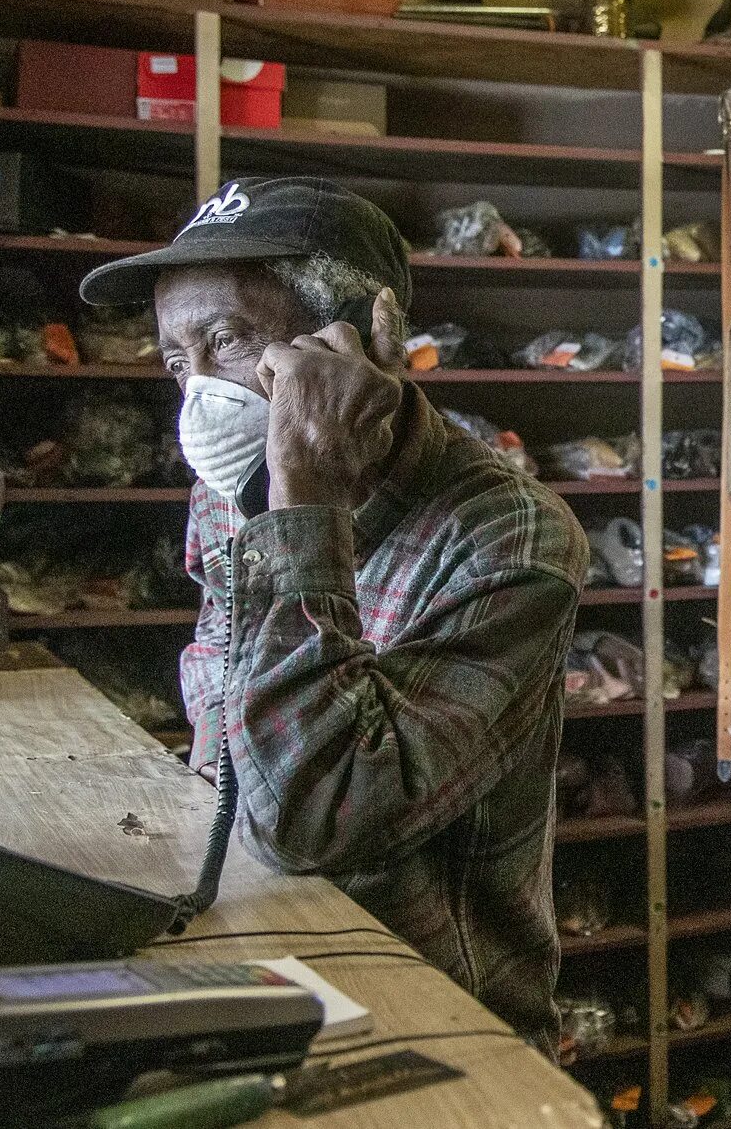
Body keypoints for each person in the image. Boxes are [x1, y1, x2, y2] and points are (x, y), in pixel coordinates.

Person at [80, 176, 587, 1053]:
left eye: (227, 340)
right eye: (173, 359)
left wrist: (304, 499)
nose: (197, 393)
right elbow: (219, 721)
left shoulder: (512, 535)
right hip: (264, 959)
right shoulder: (234, 492)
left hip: (441, 1029)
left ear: (360, 338)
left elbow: (315, 817)